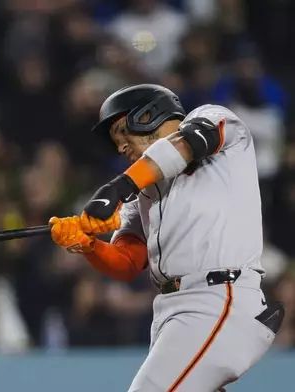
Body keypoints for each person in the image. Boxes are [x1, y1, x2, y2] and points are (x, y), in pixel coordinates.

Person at [49, 84, 284, 391]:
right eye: (115, 142)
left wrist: (118, 188)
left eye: (122, 132)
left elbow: (189, 143)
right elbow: (128, 262)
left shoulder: (211, 117)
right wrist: (87, 245)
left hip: (219, 298)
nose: (120, 147)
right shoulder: (143, 193)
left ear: (148, 114)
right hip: (171, 311)